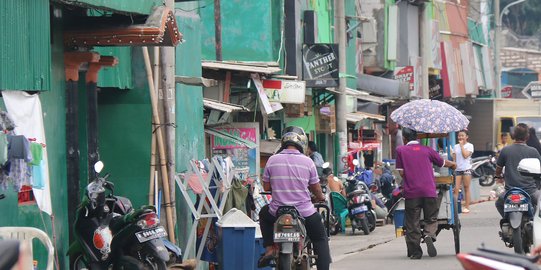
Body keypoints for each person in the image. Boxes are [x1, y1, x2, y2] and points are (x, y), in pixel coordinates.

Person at [258, 126, 331, 269]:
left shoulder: (272, 160)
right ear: (302, 143)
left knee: (263, 213)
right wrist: (321, 197)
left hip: (277, 211)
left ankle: (269, 248)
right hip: (304, 212)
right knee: (320, 238)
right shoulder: (308, 162)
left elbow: (266, 188)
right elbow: (315, 188)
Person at [396, 127, 456, 260]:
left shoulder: (400, 150)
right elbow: (442, 162)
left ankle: (416, 252)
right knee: (431, 218)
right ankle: (429, 234)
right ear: (417, 137)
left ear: (404, 139)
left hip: (412, 193)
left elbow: (401, 172)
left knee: (412, 223)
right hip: (429, 191)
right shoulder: (427, 149)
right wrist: (452, 164)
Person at [495, 123, 541, 217]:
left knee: (499, 203)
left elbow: (498, 170)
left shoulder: (505, 150)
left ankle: (506, 221)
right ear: (527, 136)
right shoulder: (533, 151)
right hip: (530, 191)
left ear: (513, 136)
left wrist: (498, 178)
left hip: (510, 191)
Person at [452, 130, 474, 213]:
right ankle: (455, 208)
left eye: (462, 135)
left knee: (466, 188)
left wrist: (461, 146)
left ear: (467, 137)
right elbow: (454, 159)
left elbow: (465, 156)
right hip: (458, 169)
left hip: (466, 169)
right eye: (459, 136)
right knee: (456, 188)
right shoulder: (455, 146)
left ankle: (467, 207)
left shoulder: (470, 146)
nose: (460, 137)